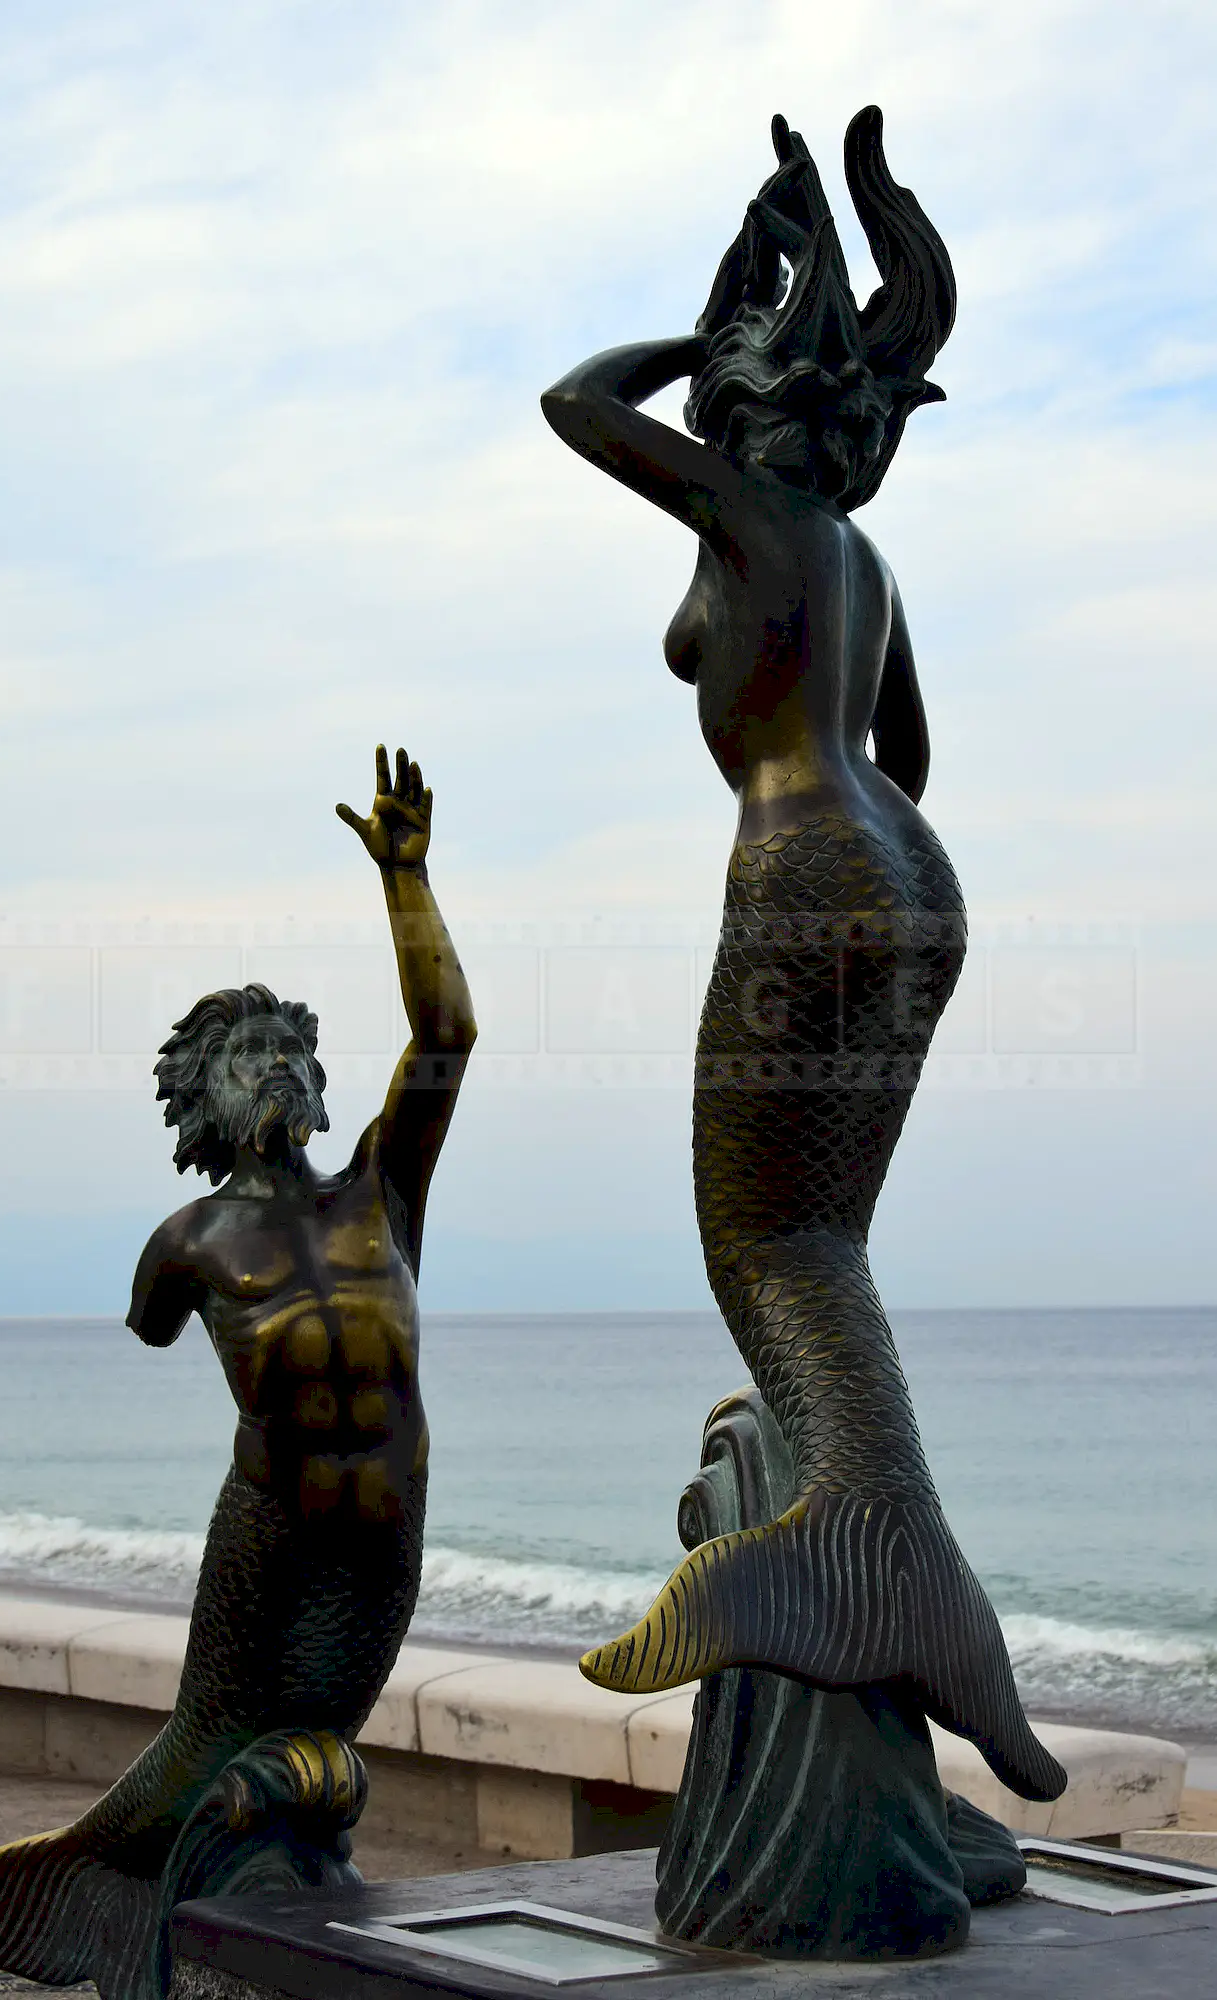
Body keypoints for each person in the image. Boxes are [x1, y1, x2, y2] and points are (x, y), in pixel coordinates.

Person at [541, 109, 1063, 1805]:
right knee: (819, 1237)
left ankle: (859, 1549)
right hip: (907, 871)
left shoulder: (753, 511)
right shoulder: (858, 556)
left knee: (764, 1235)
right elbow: (909, 751)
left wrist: (690, 337)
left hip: (805, 858)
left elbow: (573, 405)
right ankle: (881, 1547)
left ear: (747, 411)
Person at [0, 745, 478, 1992]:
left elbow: (447, 1033)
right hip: (267, 1540)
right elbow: (152, 1322)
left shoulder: (380, 1192)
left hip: (384, 1540)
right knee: (200, 1759)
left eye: (288, 1047)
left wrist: (405, 880)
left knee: (305, 1768)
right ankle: (90, 1912)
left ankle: (250, 1919)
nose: (275, 1064)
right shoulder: (188, 1245)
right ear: (204, 1094)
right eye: (245, 1053)